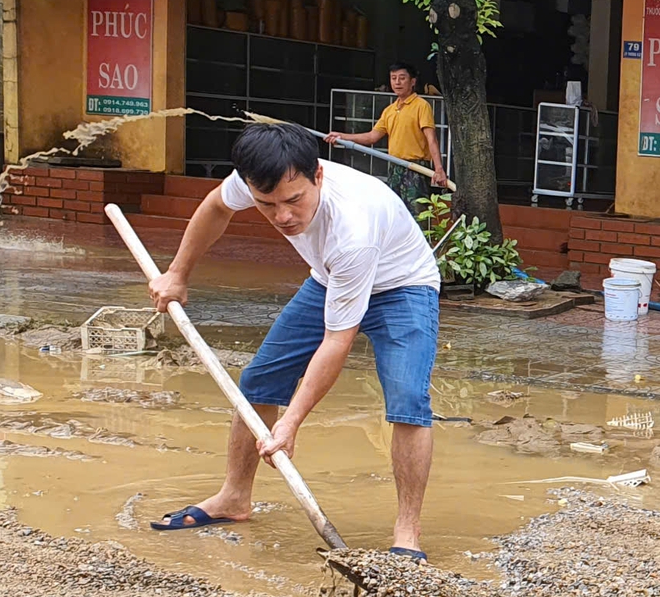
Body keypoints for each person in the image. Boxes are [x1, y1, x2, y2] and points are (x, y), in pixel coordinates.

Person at [145, 120, 443, 560]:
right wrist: (177, 274)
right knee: (259, 381)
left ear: (317, 175)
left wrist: (291, 423)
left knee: (407, 402)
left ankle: (407, 533)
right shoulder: (258, 177)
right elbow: (214, 208)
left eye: (294, 201)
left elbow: (336, 342)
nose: (283, 216)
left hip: (402, 286)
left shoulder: (353, 229)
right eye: (267, 205)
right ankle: (234, 497)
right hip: (329, 279)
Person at [327, 62, 450, 207]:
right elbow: (372, 137)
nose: (397, 82)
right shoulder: (389, 110)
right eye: (393, 78)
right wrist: (342, 137)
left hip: (416, 168)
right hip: (395, 167)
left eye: (402, 78)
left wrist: (439, 169)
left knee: (418, 213)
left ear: (412, 81)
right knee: (395, 211)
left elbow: (432, 139)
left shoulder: (421, 106)